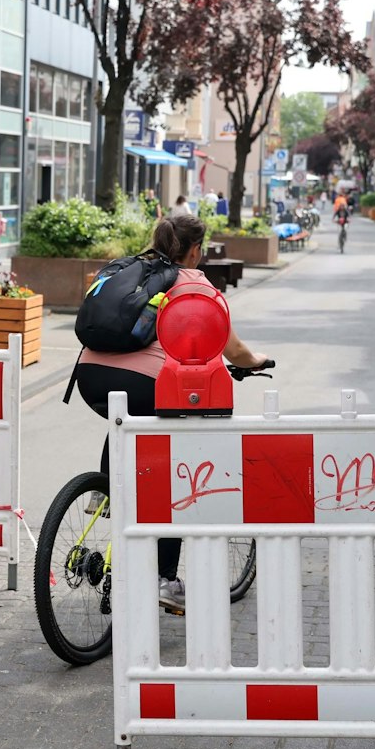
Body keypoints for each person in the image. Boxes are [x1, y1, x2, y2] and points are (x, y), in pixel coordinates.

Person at [74, 214, 269, 615]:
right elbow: (232, 348)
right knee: (175, 479)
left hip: (89, 378)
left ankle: (107, 490)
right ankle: (165, 579)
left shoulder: (131, 270)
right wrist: (255, 360)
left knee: (125, 420)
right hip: (147, 386)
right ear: (195, 250)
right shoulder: (194, 283)